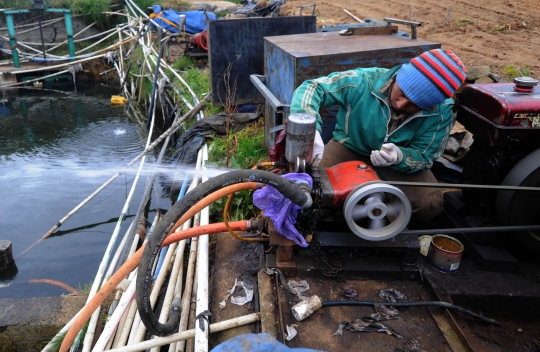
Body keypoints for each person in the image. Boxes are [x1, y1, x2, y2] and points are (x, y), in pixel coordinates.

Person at [290, 49, 467, 222]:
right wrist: (310, 129)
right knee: (310, 188)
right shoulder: (364, 81)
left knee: (430, 206)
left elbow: (424, 157)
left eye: (415, 105)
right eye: (402, 93)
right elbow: (313, 88)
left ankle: (380, 209)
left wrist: (399, 157)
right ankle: (362, 204)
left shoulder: (443, 112)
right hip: (349, 147)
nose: (401, 104)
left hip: (395, 163)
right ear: (400, 76)